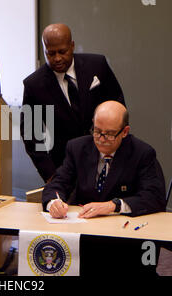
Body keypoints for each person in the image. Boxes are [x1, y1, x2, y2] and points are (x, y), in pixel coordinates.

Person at [43, 101, 166, 275]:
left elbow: (154, 196)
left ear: (124, 132)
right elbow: (57, 184)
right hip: (84, 236)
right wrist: (54, 202)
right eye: (97, 131)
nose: (101, 139)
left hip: (126, 240)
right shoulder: (77, 148)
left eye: (108, 134)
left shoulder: (142, 153)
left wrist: (113, 205)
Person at [21, 23, 125, 183]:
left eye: (62, 52)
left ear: (72, 46)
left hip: (106, 155)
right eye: (50, 53)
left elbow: (118, 105)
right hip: (63, 164)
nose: (57, 58)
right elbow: (31, 135)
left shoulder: (97, 65)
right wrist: (50, 175)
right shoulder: (34, 85)